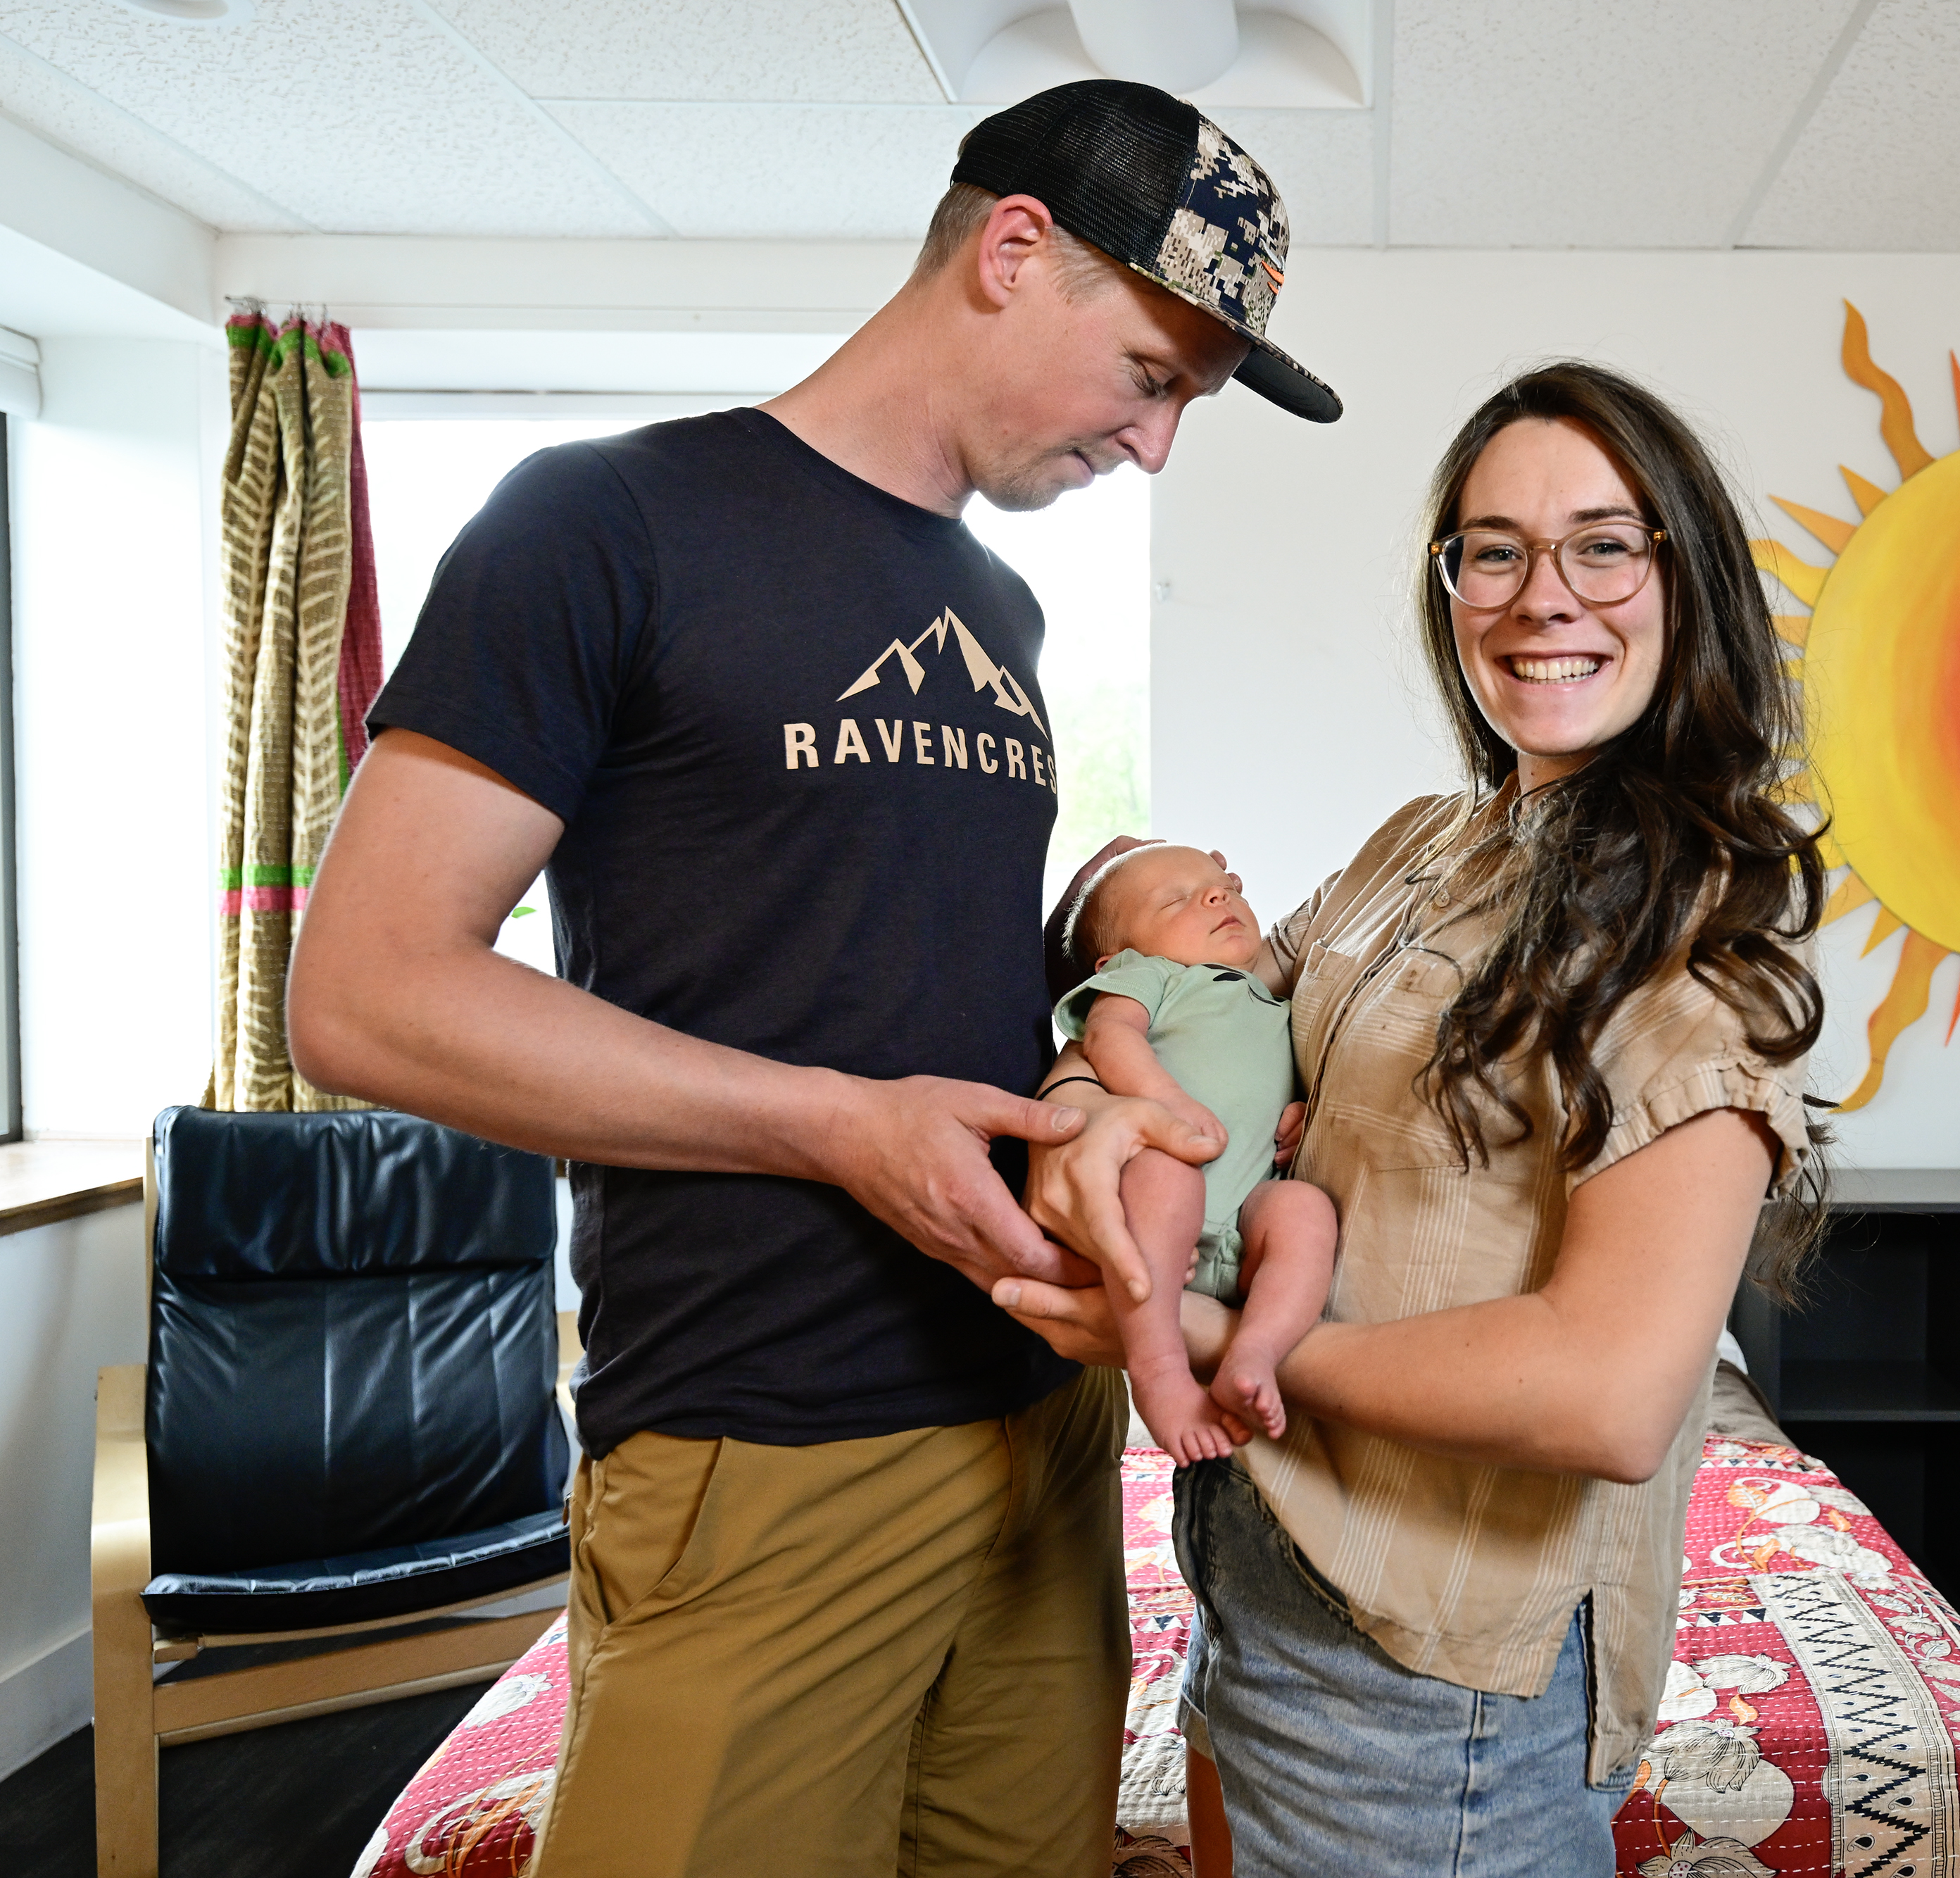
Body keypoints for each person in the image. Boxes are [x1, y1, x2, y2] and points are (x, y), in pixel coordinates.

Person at [286, 80, 1340, 1878]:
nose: (1156, 447)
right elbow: (365, 995)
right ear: (1014, 252)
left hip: (1038, 1433)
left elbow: (909, 978)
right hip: (761, 1437)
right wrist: (833, 1130)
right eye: (1153, 379)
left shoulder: (998, 617)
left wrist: (1089, 1077)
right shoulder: (599, 525)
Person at [1004, 361, 1828, 1877]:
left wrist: (1221, 1349)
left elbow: (1610, 1391)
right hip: (1262, 1566)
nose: (1539, 596)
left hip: (1424, 1669)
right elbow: (1206, 1000)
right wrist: (1085, 1097)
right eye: (1492, 549)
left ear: (1681, 573)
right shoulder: (1427, 843)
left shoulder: (1685, 934)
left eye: (1601, 542)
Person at [1050, 841, 1338, 1461]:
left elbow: (1288, 1078)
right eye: (1177, 898)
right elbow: (1107, 1036)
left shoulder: (1281, 1004)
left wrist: (1306, 1108)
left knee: (1304, 1208)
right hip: (1155, 1212)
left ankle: (1256, 1350)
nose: (1217, 895)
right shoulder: (1150, 976)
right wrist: (1165, 1103)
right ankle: (1159, 1376)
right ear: (1118, 957)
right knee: (1164, 1168)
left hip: (1245, 1223)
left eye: (1222, 885)